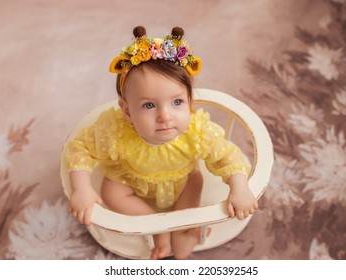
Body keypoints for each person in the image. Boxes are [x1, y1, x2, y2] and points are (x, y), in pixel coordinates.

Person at [64, 26, 258, 260]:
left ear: (189, 101)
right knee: (111, 193)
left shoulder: (197, 131)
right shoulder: (115, 131)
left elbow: (227, 155)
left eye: (177, 102)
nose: (165, 116)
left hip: (183, 179)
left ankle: (186, 228)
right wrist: (82, 187)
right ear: (127, 111)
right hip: (130, 178)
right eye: (148, 105)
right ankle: (157, 229)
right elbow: (80, 147)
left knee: (189, 215)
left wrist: (238, 185)